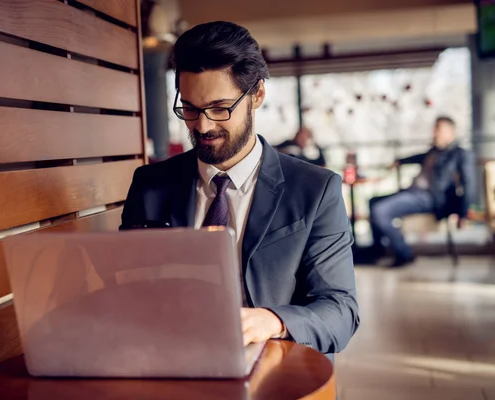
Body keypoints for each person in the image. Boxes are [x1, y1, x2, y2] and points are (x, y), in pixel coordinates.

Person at [121, 21, 359, 362]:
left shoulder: (315, 190)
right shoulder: (150, 185)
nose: (202, 126)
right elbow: (128, 292)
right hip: (172, 361)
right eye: (189, 108)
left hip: (277, 369)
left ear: (257, 94)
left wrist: (272, 320)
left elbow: (341, 311)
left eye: (220, 108)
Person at [369, 116, 475, 268]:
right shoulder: (434, 152)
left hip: (430, 198)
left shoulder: (460, 154)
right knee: (373, 201)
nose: (434, 133)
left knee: (380, 210)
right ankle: (376, 252)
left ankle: (404, 254)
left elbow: (468, 184)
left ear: (450, 132)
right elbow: (418, 157)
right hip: (413, 193)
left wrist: (463, 214)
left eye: (438, 129)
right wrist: (399, 161)